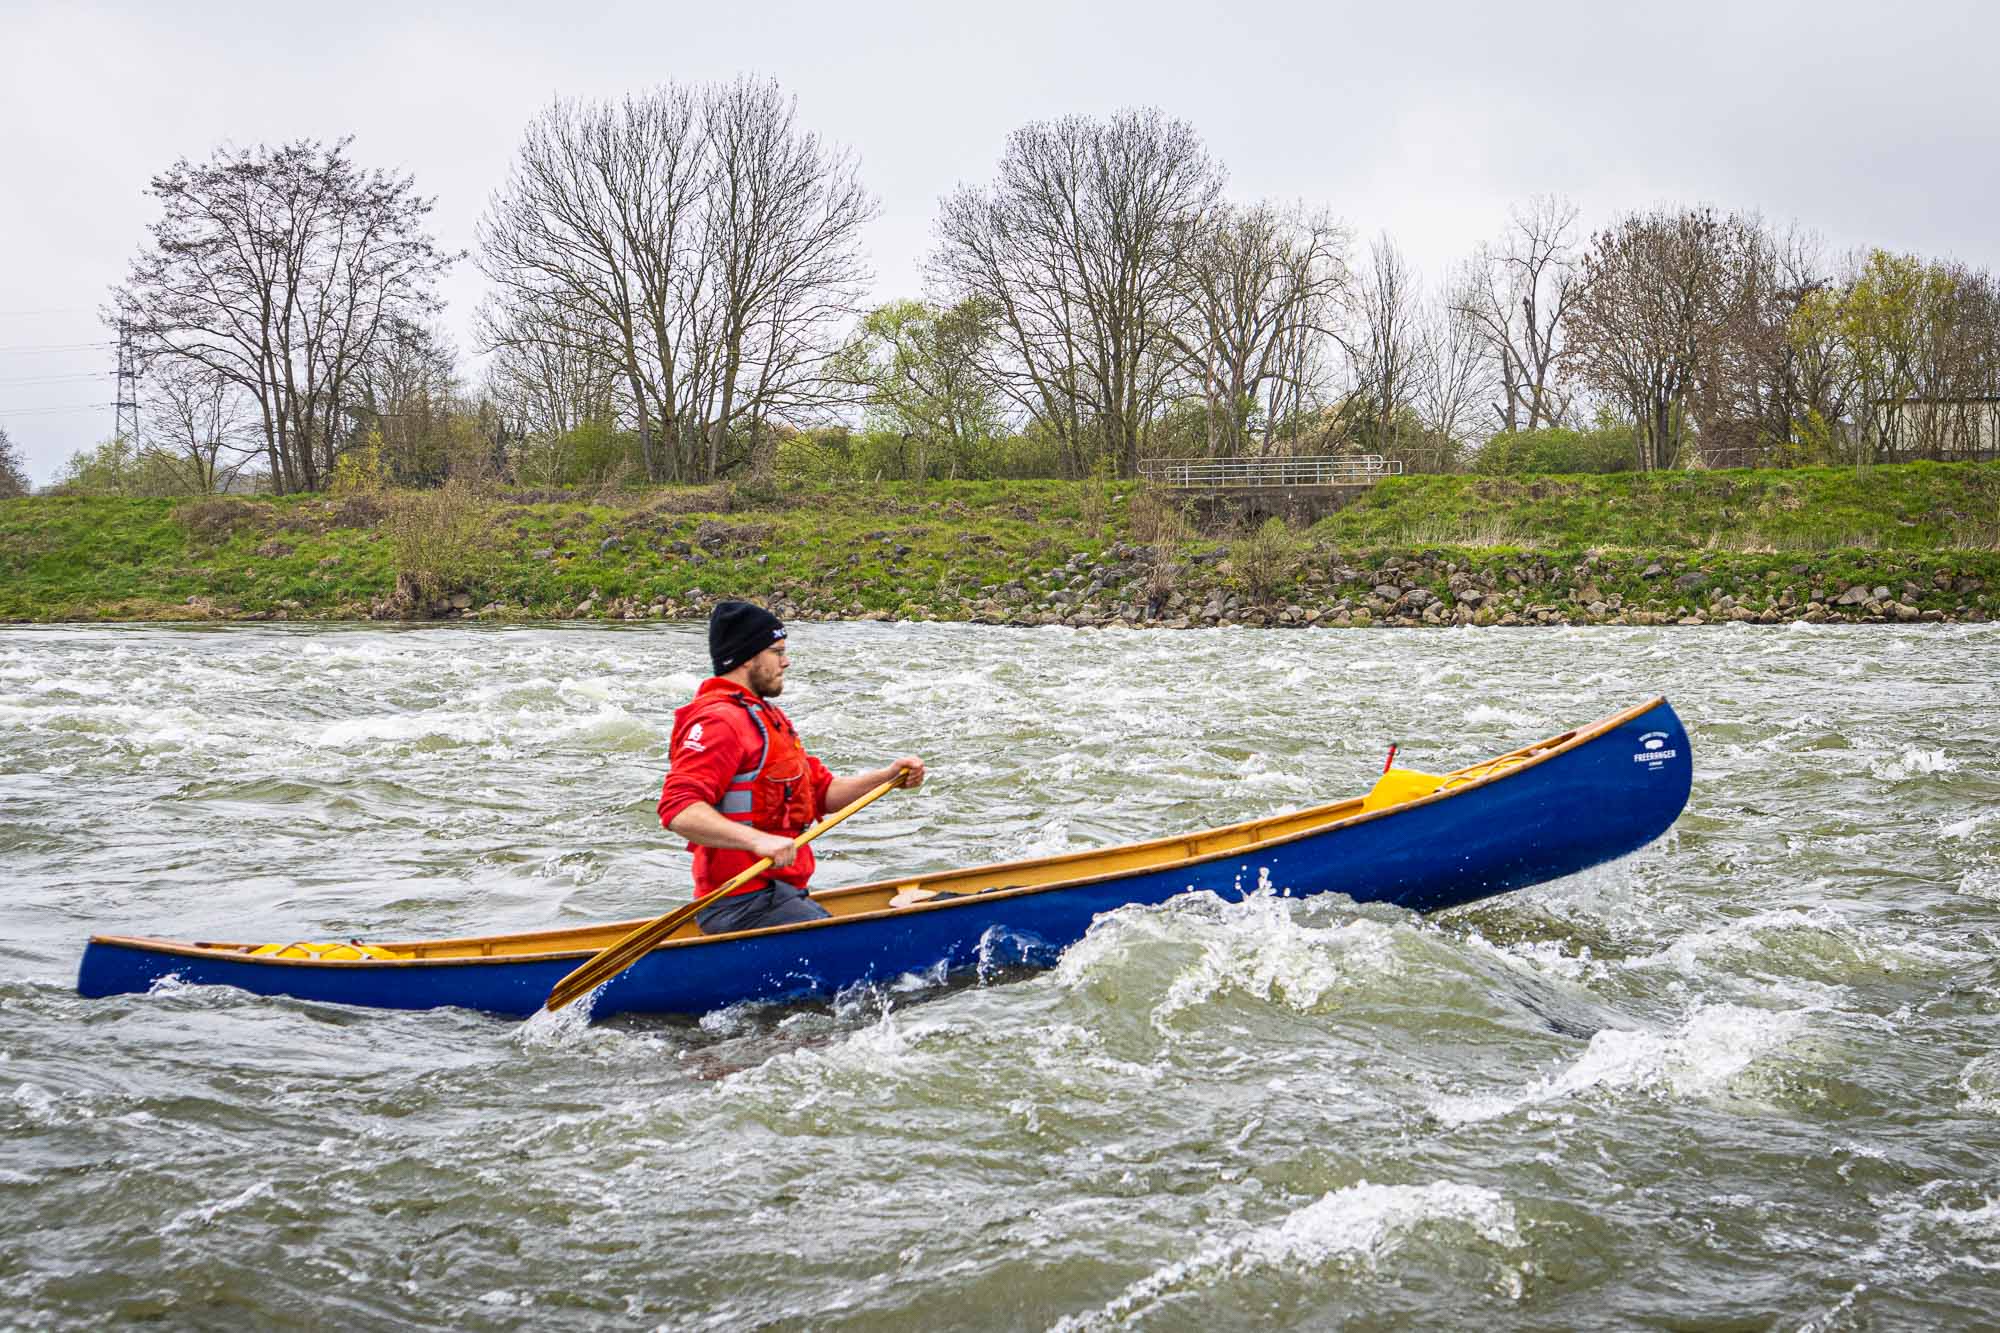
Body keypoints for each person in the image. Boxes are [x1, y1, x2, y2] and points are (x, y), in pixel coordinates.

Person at [657, 601, 925, 935]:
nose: (786, 661)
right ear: (749, 656)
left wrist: (887, 777)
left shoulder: (766, 719)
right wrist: (757, 841)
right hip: (742, 906)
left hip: (779, 897)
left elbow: (822, 792)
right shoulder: (718, 722)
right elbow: (678, 809)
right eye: (777, 651)